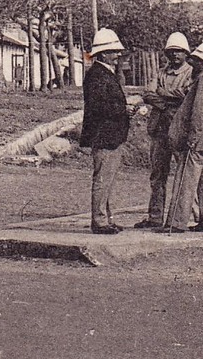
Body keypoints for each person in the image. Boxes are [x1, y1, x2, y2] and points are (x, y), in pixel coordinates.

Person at [164, 40, 203, 234]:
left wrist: (193, 137)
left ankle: (177, 222)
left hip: (200, 140)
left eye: (197, 60)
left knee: (186, 180)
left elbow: (199, 112)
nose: (193, 63)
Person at [135, 33, 193, 229]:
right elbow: (148, 94)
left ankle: (186, 216)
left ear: (186, 53)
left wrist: (162, 94)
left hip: (179, 130)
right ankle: (155, 216)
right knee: (158, 174)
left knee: (185, 173)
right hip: (159, 129)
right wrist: (168, 103)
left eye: (179, 51)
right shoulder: (160, 73)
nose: (175, 55)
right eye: (172, 51)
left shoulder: (191, 74)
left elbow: (186, 95)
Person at [79, 28, 131, 234]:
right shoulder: (97, 75)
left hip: (111, 135)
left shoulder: (102, 73)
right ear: (102, 54)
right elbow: (99, 106)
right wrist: (125, 110)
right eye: (113, 51)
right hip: (104, 135)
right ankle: (99, 221)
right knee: (102, 179)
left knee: (107, 179)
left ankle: (106, 218)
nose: (118, 55)